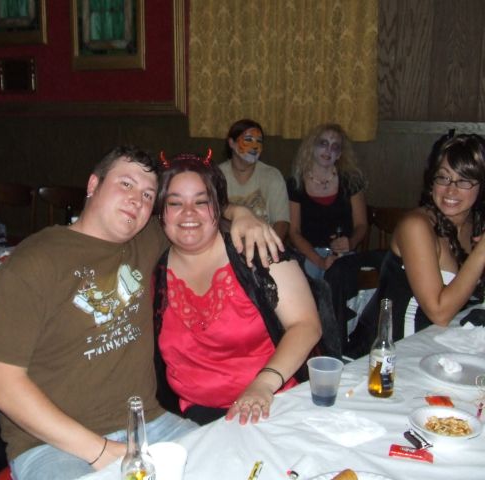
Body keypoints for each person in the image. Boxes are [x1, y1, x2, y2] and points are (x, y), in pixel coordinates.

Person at [0, 146, 282, 480]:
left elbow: (196, 212)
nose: (137, 200)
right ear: (93, 185)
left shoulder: (148, 239)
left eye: (148, 194)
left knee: (237, 467)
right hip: (51, 444)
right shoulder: (31, 265)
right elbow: (2, 385)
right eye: (126, 184)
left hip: (148, 425)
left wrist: (241, 214)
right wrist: (101, 451)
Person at [153, 150, 321, 426]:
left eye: (201, 201)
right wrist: (239, 211)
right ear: (161, 211)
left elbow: (306, 325)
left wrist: (264, 383)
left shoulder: (256, 251)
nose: (188, 213)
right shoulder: (152, 264)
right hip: (188, 420)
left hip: (270, 406)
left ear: (217, 207)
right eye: (175, 203)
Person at [347, 133, 485, 356]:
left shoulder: (474, 225)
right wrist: (482, 252)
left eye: (464, 180)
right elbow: (439, 312)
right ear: (432, 181)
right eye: (443, 178)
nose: (451, 190)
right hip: (387, 356)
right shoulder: (416, 226)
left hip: (441, 346)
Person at [286, 123, 368, 279]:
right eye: (323, 143)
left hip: (342, 254)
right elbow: (294, 232)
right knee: (306, 282)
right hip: (309, 253)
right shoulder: (295, 183)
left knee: (339, 277)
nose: (328, 150)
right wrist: (320, 261)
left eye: (335, 146)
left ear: (339, 154)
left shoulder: (351, 181)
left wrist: (351, 242)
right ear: (312, 147)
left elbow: (361, 225)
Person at [219, 119, 290, 240]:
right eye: (248, 140)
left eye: (259, 141)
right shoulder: (217, 175)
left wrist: (270, 248)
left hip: (265, 245)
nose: (255, 146)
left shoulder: (272, 176)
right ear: (231, 143)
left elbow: (282, 223)